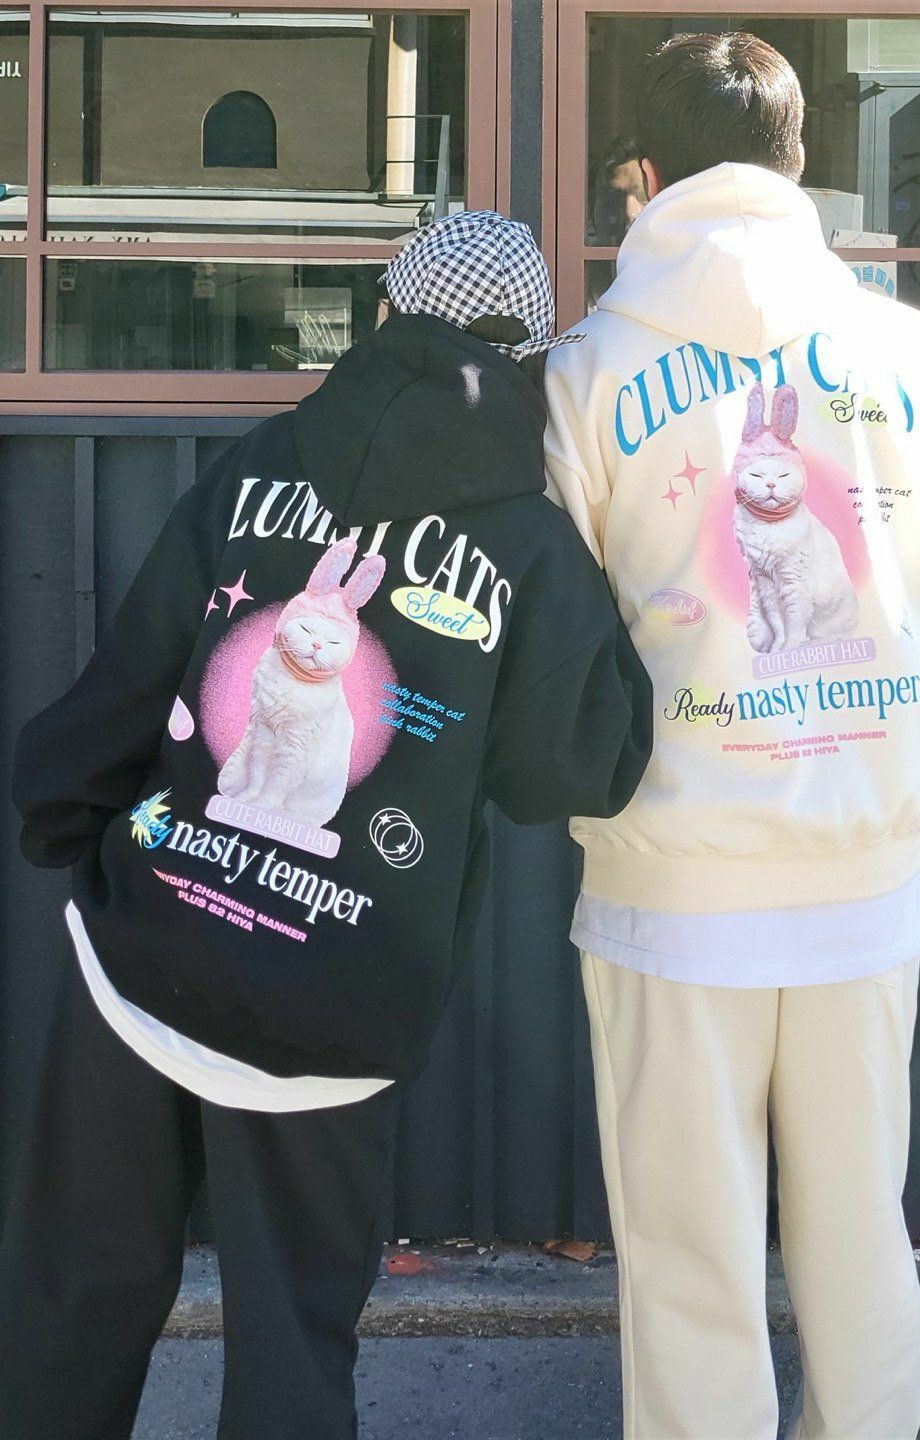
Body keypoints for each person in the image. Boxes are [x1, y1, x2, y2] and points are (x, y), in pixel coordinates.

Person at [2, 210, 652, 1440]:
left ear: (385, 315)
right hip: (335, 1006)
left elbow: (140, 670)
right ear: (530, 354)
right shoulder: (530, 542)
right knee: (293, 1348)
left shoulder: (261, 463)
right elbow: (576, 769)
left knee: (73, 1295)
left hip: (150, 946)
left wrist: (64, 815)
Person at [543, 32, 920, 1440]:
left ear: (642, 178)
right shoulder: (916, 353)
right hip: (863, 878)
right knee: (857, 1232)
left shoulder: (583, 374)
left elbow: (538, 625)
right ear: (798, 166)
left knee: (689, 1254)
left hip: (668, 888)